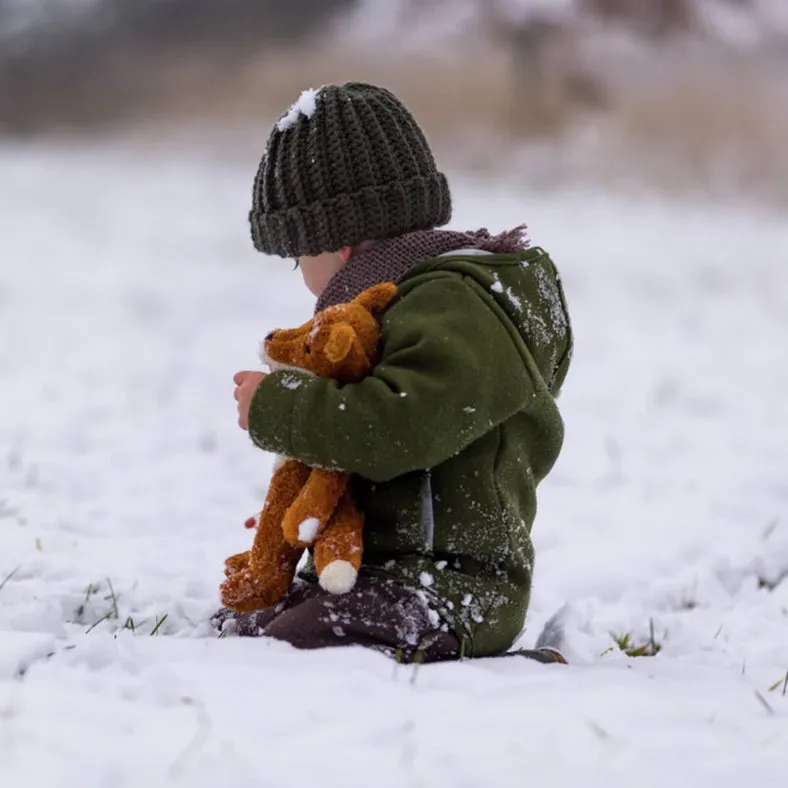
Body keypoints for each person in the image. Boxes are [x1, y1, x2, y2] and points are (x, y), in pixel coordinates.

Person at [213, 82, 573, 664]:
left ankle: (506, 672)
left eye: (299, 257)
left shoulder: (455, 306)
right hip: (382, 573)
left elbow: (398, 425)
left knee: (294, 649)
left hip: (451, 588)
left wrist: (279, 410)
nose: (302, 276)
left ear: (343, 244)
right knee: (250, 622)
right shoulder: (403, 306)